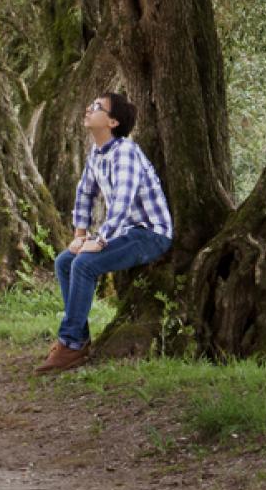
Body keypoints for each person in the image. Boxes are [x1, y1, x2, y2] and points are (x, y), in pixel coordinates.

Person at [35, 92, 173, 375]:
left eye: (98, 107)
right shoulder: (97, 154)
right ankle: (78, 338)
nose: (89, 108)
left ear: (113, 122)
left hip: (150, 234)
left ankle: (70, 344)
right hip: (125, 232)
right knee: (65, 261)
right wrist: (80, 235)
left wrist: (99, 239)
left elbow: (122, 202)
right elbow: (85, 193)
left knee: (84, 264)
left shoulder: (126, 152)